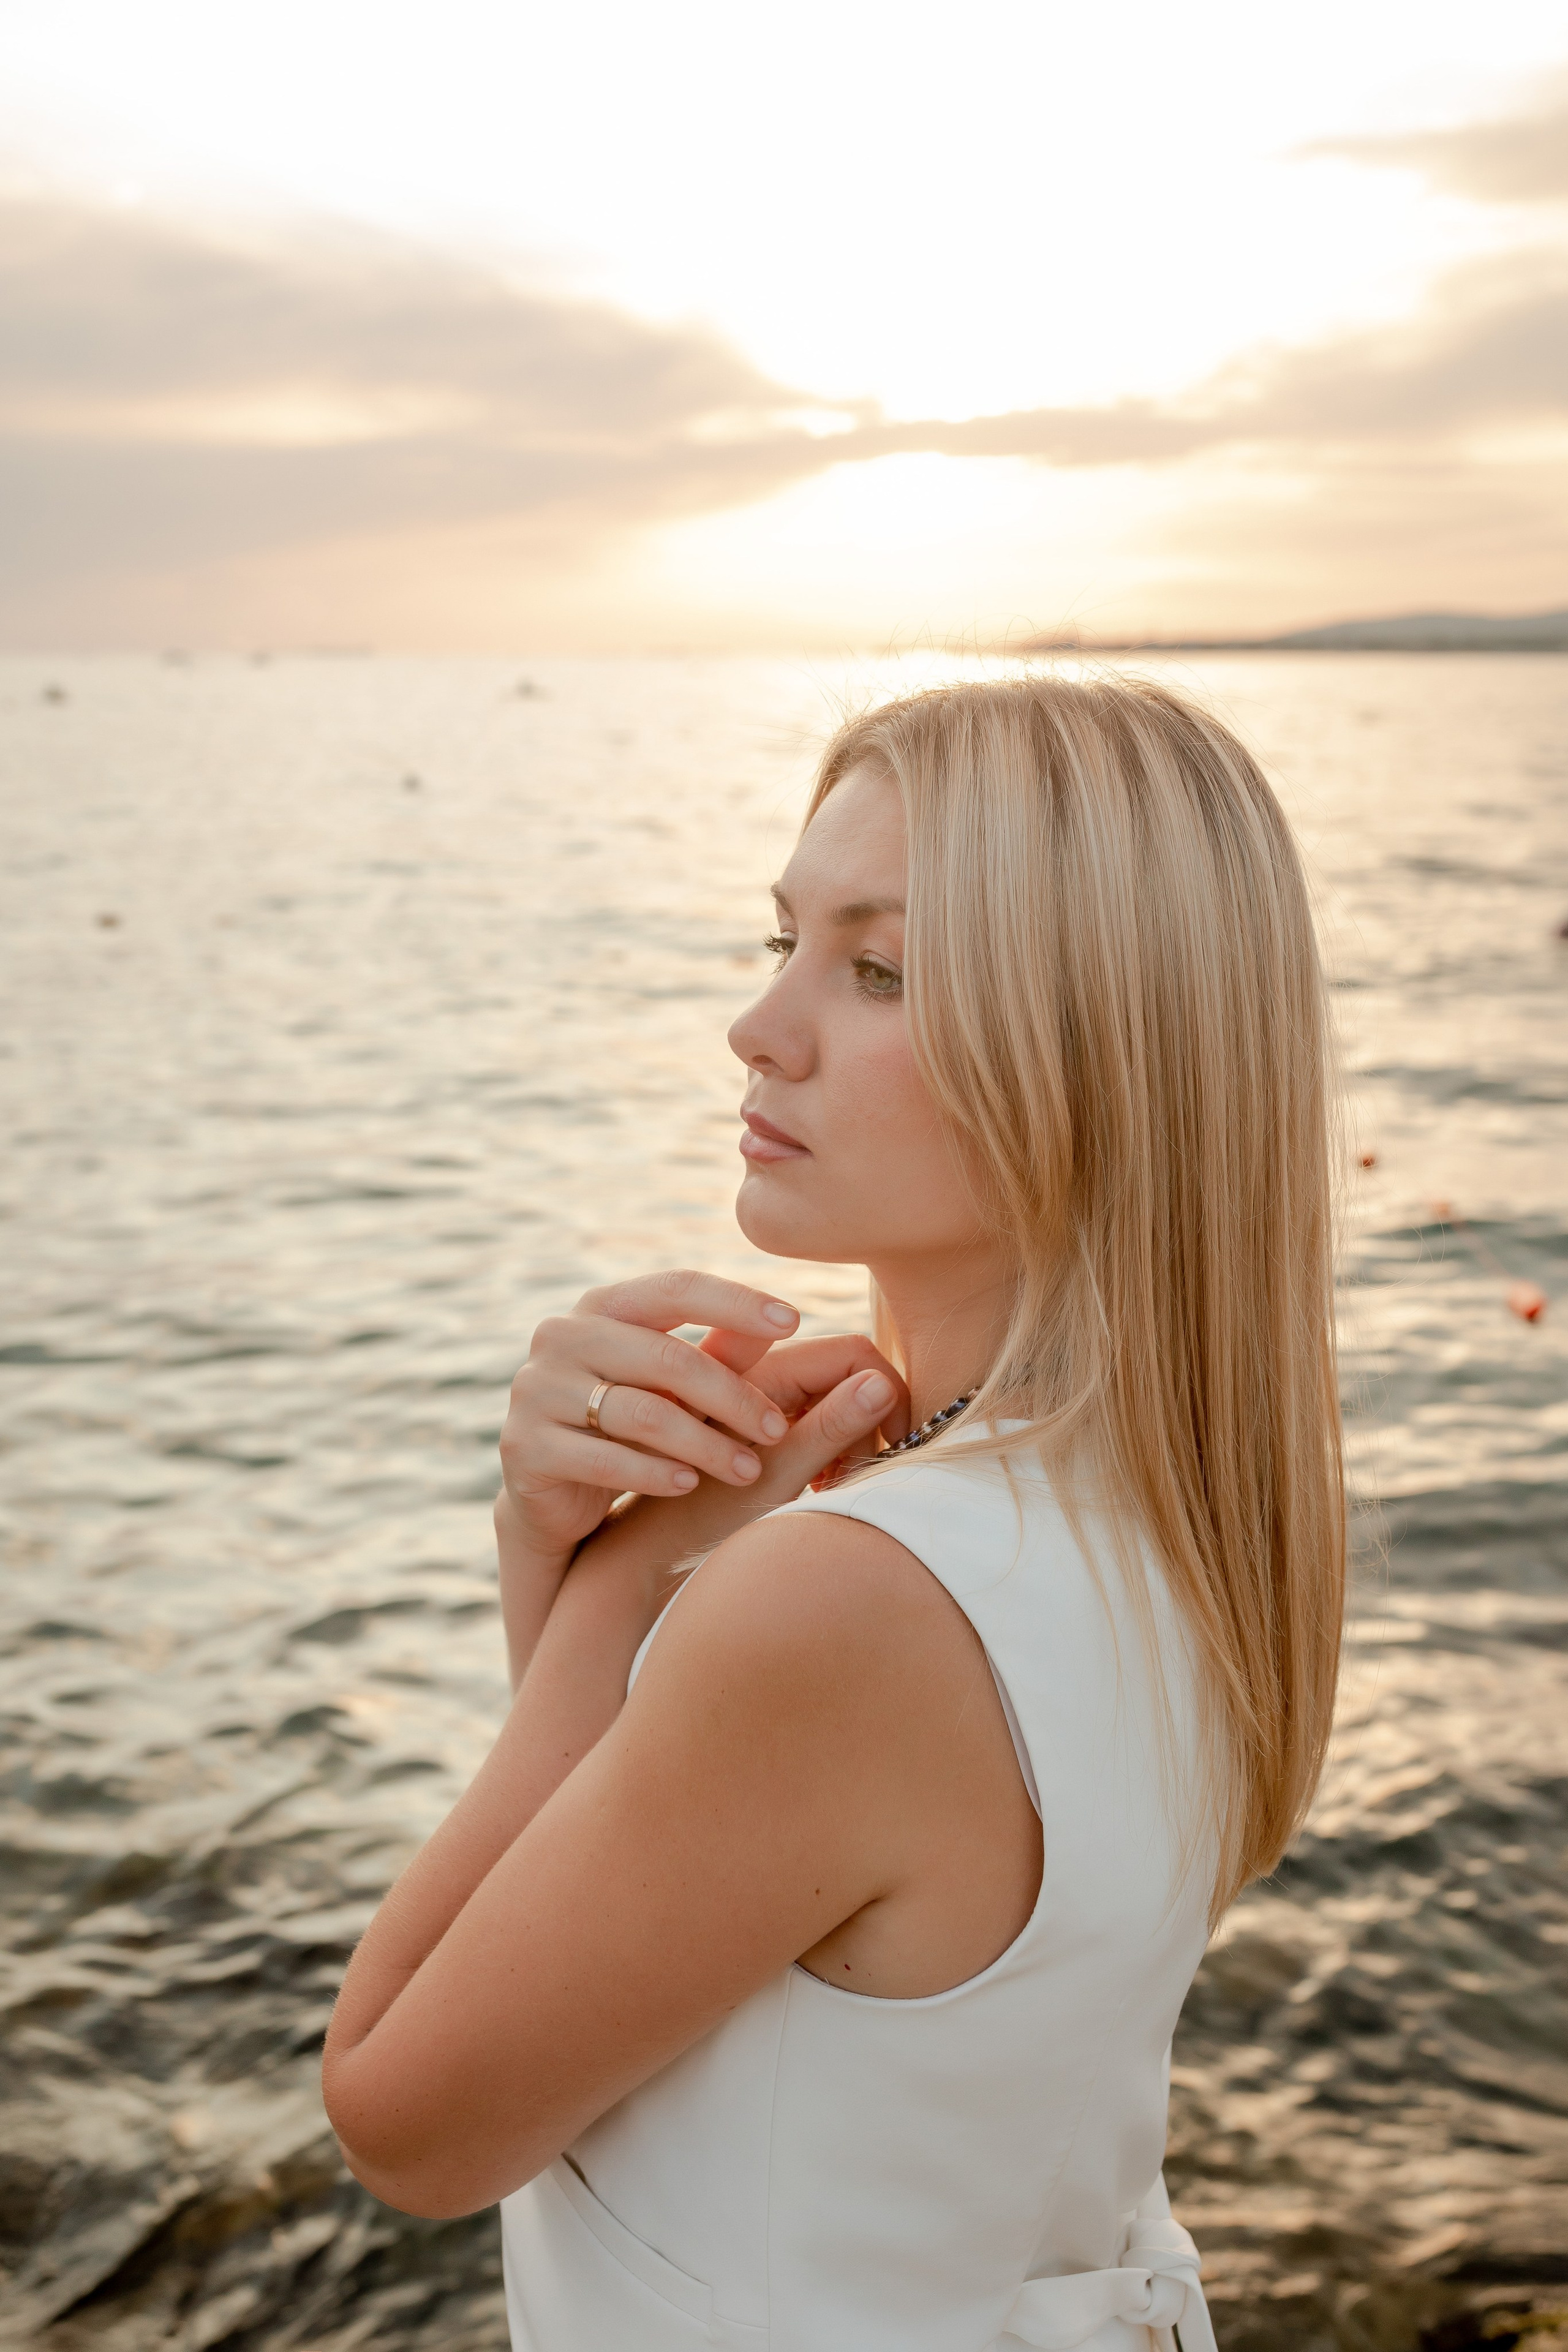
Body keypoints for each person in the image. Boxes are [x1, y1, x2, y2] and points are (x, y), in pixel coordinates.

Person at [323, 675, 1345, 2351]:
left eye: (877, 970)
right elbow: (698, 1914)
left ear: (1101, 1053)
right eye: (780, 941)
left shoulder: (850, 1603)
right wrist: (559, 1550)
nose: (762, 1027)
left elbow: (405, 2120)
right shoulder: (1183, 1511)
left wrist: (621, 1579)